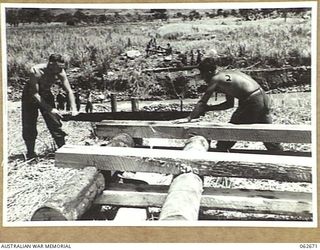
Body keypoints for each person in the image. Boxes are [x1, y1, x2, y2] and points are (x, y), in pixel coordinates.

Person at [183, 57, 283, 152]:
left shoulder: (216, 79)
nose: (203, 79)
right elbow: (229, 104)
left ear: (209, 72)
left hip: (251, 101)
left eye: (203, 75)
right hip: (263, 97)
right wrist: (208, 109)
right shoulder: (227, 75)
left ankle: (221, 153)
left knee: (232, 130)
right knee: (269, 134)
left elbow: (202, 102)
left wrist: (189, 118)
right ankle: (280, 156)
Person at [22, 53, 78, 159]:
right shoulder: (36, 71)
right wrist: (50, 109)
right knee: (29, 125)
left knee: (55, 122)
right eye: (57, 68)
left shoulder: (60, 71)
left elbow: (69, 91)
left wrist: (74, 109)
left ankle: (63, 150)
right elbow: (35, 94)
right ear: (50, 64)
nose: (59, 71)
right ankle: (31, 154)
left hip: (46, 94)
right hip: (30, 96)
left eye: (62, 68)